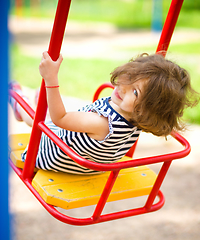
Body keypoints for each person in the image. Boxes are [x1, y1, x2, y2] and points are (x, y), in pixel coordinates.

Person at [9, 52, 199, 174]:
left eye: (135, 92)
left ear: (148, 109)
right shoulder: (135, 119)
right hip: (86, 163)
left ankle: (20, 105)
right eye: (130, 78)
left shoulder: (102, 122)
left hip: (51, 154)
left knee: (40, 119)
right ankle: (37, 104)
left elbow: (61, 119)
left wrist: (51, 79)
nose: (123, 87)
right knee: (50, 114)